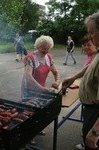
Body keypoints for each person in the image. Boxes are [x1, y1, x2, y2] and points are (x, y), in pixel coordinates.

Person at [64, 12, 99, 150]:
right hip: (91, 110)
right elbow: (90, 67)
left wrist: (96, 131)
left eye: (92, 32)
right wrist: (73, 78)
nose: (89, 36)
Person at [21, 35, 60, 145]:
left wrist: (57, 81)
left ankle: (37, 129)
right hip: (28, 89)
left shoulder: (49, 57)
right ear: (38, 46)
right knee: (29, 112)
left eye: (48, 48)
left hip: (41, 89)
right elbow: (27, 76)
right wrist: (42, 89)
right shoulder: (31, 58)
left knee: (40, 110)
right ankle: (29, 135)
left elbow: (56, 72)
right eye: (43, 48)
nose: (46, 50)